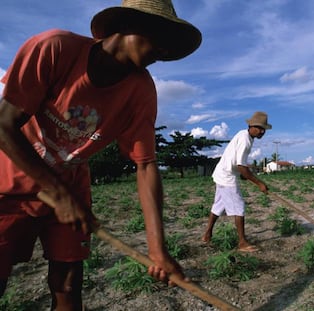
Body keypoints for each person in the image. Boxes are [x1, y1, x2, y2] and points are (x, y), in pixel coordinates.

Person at [0, 0, 201, 309]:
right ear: (128, 25)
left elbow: (146, 165)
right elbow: (4, 125)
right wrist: (55, 191)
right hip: (10, 182)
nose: (163, 51)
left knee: (68, 283)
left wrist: (157, 249)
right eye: (160, 37)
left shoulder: (141, 91)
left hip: (70, 187)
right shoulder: (55, 48)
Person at [202, 111, 271, 252]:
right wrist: (259, 183)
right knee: (239, 207)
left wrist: (244, 174)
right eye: (259, 128)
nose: (262, 132)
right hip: (227, 176)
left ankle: (207, 235)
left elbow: (239, 164)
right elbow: (241, 166)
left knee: (218, 206)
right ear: (251, 126)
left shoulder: (244, 135)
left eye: (263, 129)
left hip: (222, 173)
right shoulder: (245, 140)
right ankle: (242, 243)